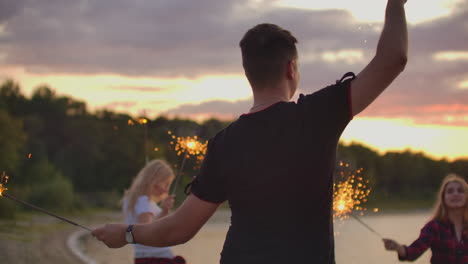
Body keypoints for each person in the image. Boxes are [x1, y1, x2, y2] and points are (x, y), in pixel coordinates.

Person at [92, 0, 408, 263]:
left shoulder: (223, 144)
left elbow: (179, 229)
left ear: (248, 72)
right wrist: (396, 3)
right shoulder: (316, 114)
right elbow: (394, 58)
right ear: (291, 69)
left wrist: (126, 233)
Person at [383, 174, 468, 264]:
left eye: (460, 191)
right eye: (450, 191)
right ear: (443, 198)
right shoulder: (434, 227)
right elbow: (414, 251)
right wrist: (398, 248)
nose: (455, 194)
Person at [122, 159, 185, 264]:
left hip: (142, 257)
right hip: (156, 258)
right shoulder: (143, 201)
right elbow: (145, 231)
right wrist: (164, 211)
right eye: (166, 184)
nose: (166, 190)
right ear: (156, 181)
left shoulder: (132, 199)